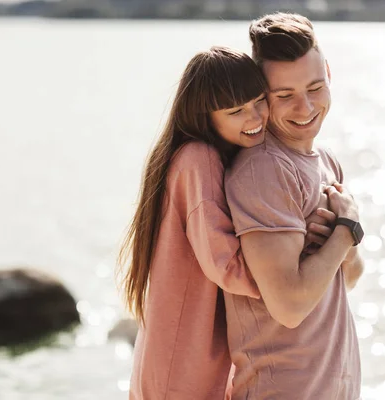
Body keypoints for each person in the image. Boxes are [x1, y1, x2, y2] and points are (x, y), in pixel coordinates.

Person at [118, 46, 340, 399]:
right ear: (205, 116)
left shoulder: (208, 157)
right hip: (183, 357)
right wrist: (299, 264)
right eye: (236, 111)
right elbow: (227, 265)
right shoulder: (198, 159)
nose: (255, 118)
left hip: (187, 346)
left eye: (258, 102)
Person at [223, 13, 365, 399]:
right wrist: (347, 228)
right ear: (260, 95)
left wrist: (341, 238)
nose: (304, 109)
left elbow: (347, 279)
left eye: (315, 88)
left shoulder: (326, 160)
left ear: (329, 74)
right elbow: (289, 306)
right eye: (284, 95)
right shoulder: (265, 169)